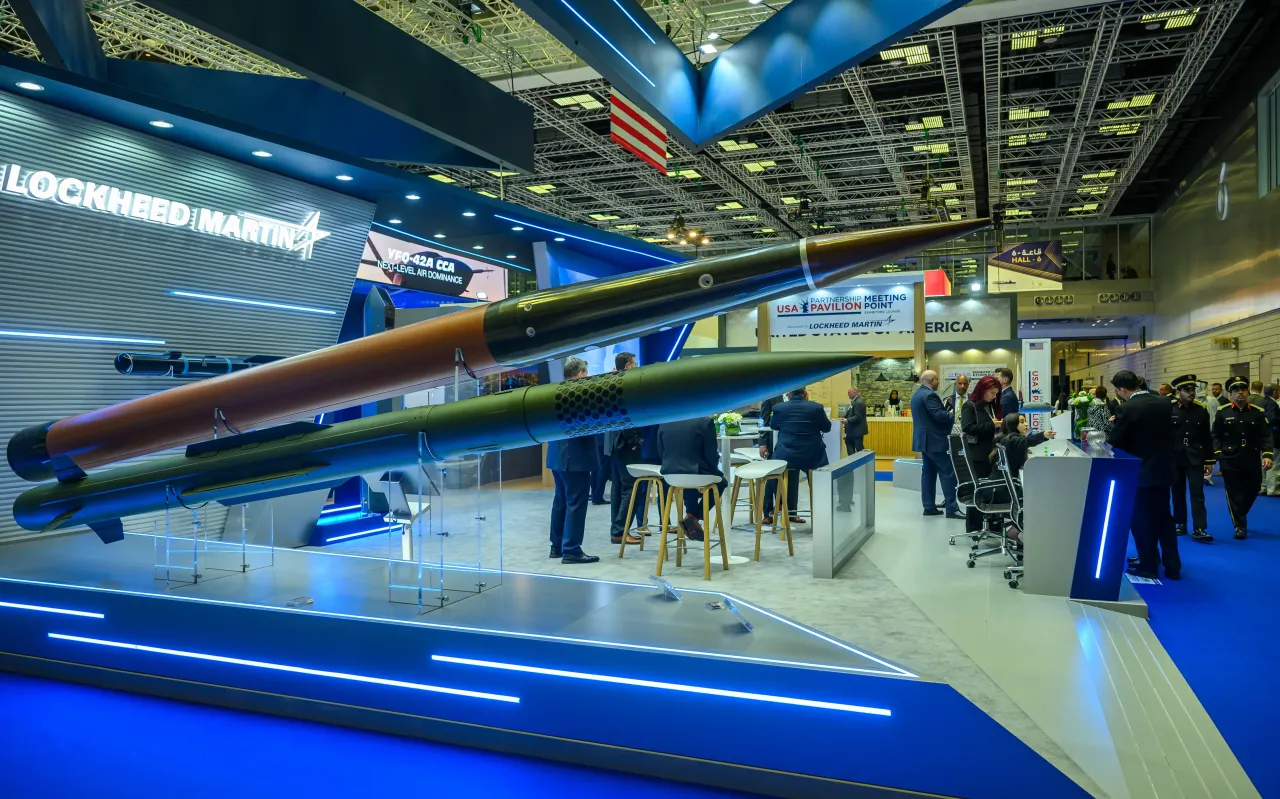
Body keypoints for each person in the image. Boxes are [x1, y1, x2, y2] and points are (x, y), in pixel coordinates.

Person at [1108, 370, 1179, 580]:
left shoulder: (1126, 408)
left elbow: (1116, 441)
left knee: (1141, 520)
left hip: (1140, 472)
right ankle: (1173, 564)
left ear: (1122, 389)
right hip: (1164, 469)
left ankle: (1148, 564)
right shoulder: (1164, 402)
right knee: (1164, 517)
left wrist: (1116, 425)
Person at [547, 357, 600, 564]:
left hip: (557, 456)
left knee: (560, 501)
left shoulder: (555, 392)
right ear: (580, 374)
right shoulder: (581, 394)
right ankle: (572, 550)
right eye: (586, 373)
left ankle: (557, 546)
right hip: (575, 458)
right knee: (576, 503)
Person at [1213, 376, 1274, 539]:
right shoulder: (1223, 412)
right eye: (1236, 390)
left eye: (1243, 389)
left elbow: (1266, 436)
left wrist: (1267, 454)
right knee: (1233, 492)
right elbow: (1215, 435)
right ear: (1230, 394)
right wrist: (1218, 453)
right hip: (1230, 459)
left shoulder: (1257, 413)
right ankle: (1240, 525)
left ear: (1247, 391)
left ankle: (1240, 512)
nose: (1240, 393)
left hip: (1251, 457)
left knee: (1253, 489)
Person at [762, 388, 831, 525]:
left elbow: (774, 426)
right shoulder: (816, 407)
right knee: (821, 482)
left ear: (789, 395)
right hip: (813, 457)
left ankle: (775, 513)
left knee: (776, 477)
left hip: (786, 456)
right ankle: (822, 518)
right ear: (805, 394)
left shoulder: (779, 408)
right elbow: (827, 428)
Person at [603, 352, 649, 546]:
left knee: (618, 488)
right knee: (631, 489)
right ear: (629, 365)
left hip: (612, 444)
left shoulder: (610, 383)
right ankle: (620, 531)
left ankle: (617, 530)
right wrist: (637, 441)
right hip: (625, 444)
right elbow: (628, 416)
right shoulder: (627, 385)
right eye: (635, 364)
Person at [658, 415, 727, 541]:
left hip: (670, 474)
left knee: (688, 481)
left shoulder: (665, 421)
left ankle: (691, 514)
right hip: (695, 471)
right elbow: (711, 453)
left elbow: (660, 451)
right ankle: (693, 517)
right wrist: (713, 468)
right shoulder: (705, 422)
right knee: (721, 482)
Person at [910, 370, 962, 519]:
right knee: (947, 473)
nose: (939, 382)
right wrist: (951, 414)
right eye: (937, 379)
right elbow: (939, 415)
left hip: (924, 441)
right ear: (931, 380)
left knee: (928, 473)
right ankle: (952, 508)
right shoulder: (930, 395)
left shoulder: (917, 395)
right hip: (935, 441)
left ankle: (929, 506)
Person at [1169, 375, 1214, 543]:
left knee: (1197, 493)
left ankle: (1199, 528)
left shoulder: (1200, 410)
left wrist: (1209, 460)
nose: (1191, 393)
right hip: (1175, 456)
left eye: (1193, 389)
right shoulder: (1169, 409)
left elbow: (1206, 437)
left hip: (1195, 456)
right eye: (1187, 390)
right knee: (1177, 492)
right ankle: (1180, 523)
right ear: (1178, 392)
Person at [961, 375, 1003, 479]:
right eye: (992, 393)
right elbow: (967, 428)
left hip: (992, 453)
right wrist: (991, 425)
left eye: (996, 394)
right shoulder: (970, 406)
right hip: (978, 455)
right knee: (983, 485)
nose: (994, 396)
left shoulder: (991, 405)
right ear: (982, 390)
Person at [1205, 382, 1223, 486]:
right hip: (1206, 430)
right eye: (1213, 389)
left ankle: (1207, 475)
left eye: (1216, 389)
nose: (1214, 391)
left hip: (1214, 430)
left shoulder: (1215, 400)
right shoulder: (1211, 400)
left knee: (1212, 452)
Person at [841, 387, 868, 454]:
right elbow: (850, 414)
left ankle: (862, 464)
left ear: (855, 393)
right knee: (850, 448)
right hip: (851, 432)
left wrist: (847, 420)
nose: (848, 395)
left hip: (856, 431)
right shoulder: (854, 402)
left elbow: (858, 417)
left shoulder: (859, 402)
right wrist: (842, 418)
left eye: (849, 393)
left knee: (859, 450)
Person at [1266, 385, 1280, 496]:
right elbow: (1272, 419)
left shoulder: (1262, 402)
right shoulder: (1272, 404)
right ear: (1274, 392)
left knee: (1264, 463)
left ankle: (1263, 487)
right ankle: (1273, 489)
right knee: (1274, 463)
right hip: (1273, 437)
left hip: (1264, 437)